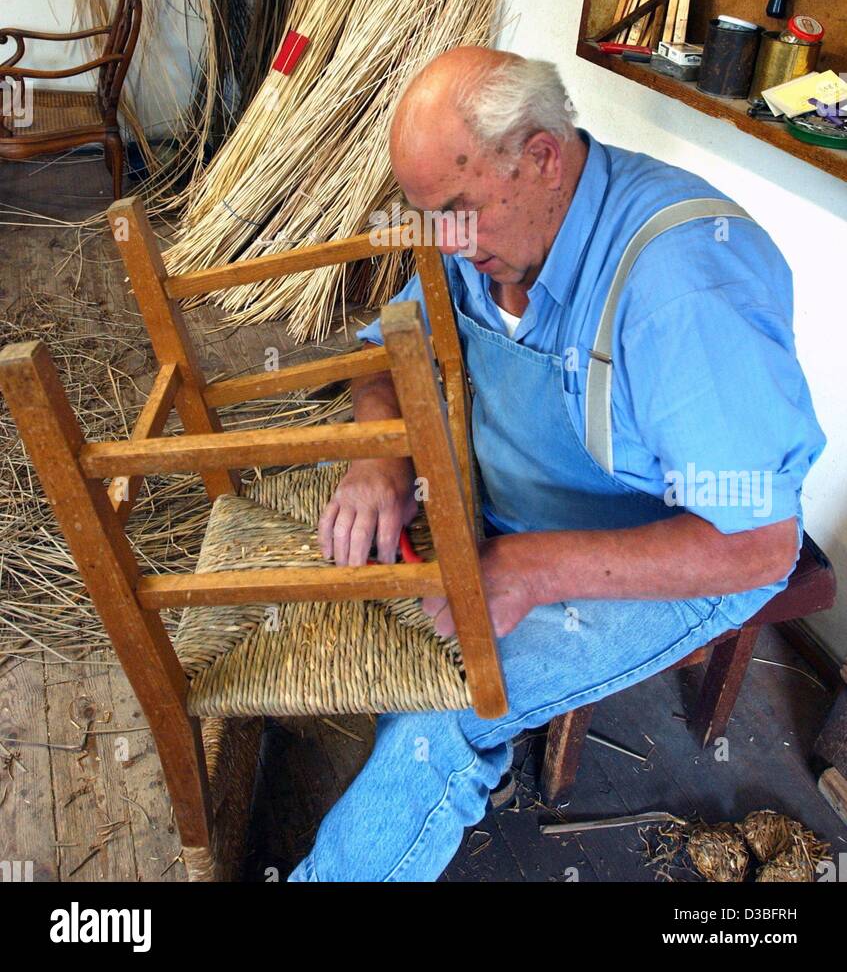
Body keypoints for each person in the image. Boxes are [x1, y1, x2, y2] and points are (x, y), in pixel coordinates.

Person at [288, 47, 825, 882]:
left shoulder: (681, 285)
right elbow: (383, 352)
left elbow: (758, 541)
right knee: (363, 595)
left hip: (680, 550)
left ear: (540, 156)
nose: (444, 242)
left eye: (457, 211)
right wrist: (378, 454)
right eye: (428, 217)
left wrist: (529, 568)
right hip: (517, 511)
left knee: (441, 717)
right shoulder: (487, 238)